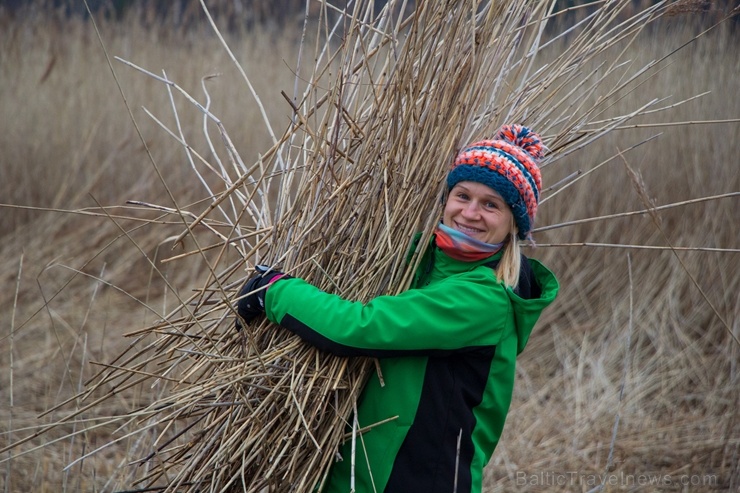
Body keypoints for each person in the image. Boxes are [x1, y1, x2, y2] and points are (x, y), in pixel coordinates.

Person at [236, 124, 559, 493]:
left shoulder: (484, 299)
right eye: (462, 195)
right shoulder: (418, 265)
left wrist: (274, 291)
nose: (470, 213)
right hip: (361, 472)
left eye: (491, 205)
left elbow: (360, 327)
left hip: (418, 481)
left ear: (513, 224)